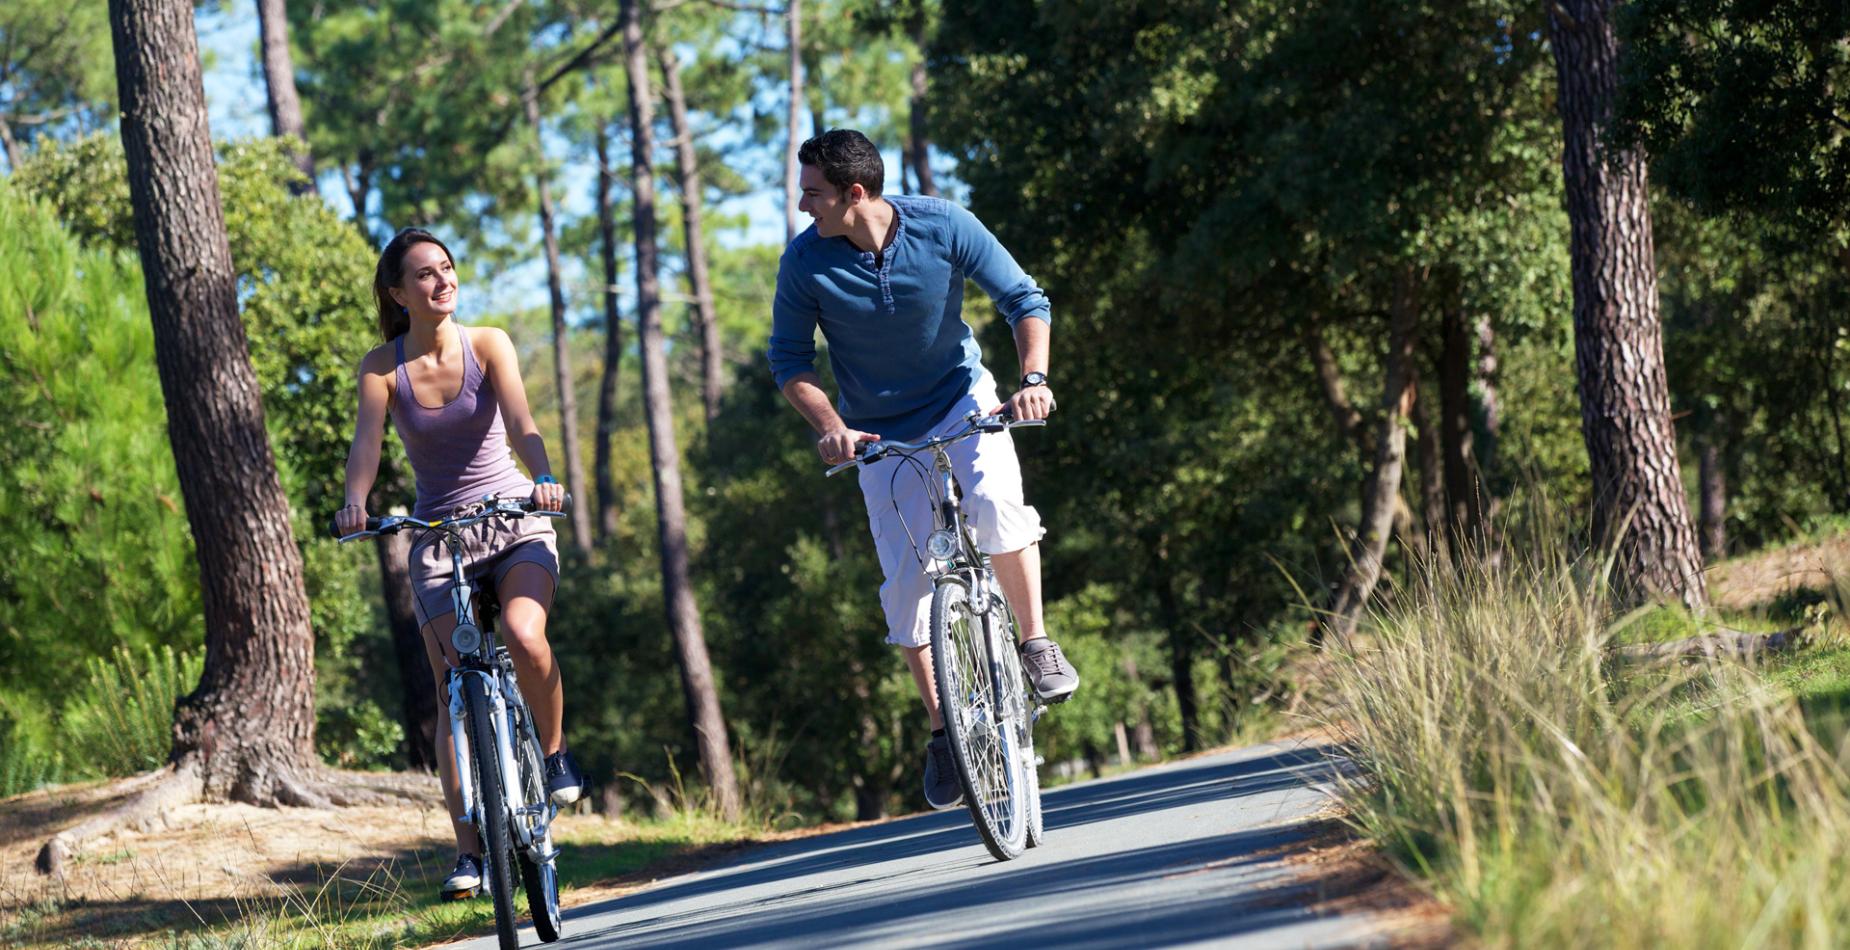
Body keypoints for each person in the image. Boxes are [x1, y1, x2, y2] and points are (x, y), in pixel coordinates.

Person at [768, 129, 1080, 811]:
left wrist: (1033, 378)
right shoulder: (804, 264)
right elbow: (789, 361)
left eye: (812, 192)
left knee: (996, 504)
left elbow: (1024, 299)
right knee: (907, 585)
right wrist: (832, 428)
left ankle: (1035, 643)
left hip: (963, 400)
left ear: (855, 194)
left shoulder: (944, 225)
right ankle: (944, 730)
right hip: (876, 431)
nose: (801, 205)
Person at [337, 227, 586, 900]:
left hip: (513, 520)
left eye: (446, 268)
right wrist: (355, 502)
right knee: (454, 688)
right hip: (439, 536)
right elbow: (367, 451)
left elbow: (522, 422)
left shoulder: (488, 344)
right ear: (397, 293)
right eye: (423, 274)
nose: (441, 281)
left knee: (523, 632)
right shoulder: (381, 368)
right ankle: (470, 852)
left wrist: (545, 475)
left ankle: (556, 753)